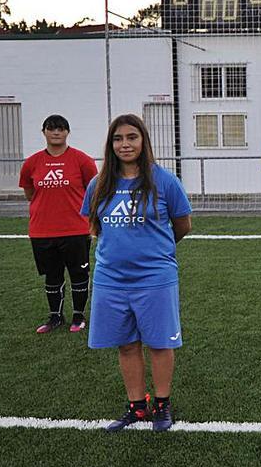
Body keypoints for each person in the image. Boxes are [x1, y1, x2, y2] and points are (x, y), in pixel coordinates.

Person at [82, 114, 192, 432]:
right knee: (127, 343)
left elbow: (183, 224)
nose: (125, 144)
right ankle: (136, 407)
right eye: (118, 138)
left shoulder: (164, 180)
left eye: (132, 137)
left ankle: (162, 405)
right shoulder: (99, 183)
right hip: (110, 278)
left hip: (155, 277)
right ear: (110, 144)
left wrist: (156, 250)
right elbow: (94, 224)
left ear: (143, 141)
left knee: (159, 343)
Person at [19, 114, 98, 334]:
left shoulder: (82, 160)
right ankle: (55, 317)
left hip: (75, 229)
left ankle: (78, 317)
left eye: (61, 128)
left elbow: (92, 192)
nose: (56, 132)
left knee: (78, 274)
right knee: (52, 275)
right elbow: (29, 193)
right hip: (42, 231)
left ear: (67, 132)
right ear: (43, 131)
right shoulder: (32, 163)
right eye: (52, 128)